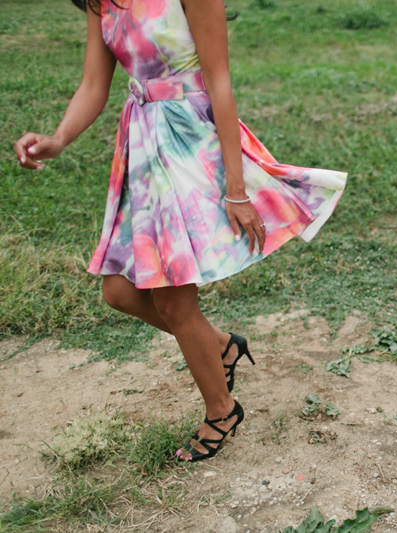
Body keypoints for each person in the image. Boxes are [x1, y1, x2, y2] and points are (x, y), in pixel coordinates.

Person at [13, 0, 346, 462]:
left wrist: (236, 189)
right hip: (143, 148)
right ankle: (221, 347)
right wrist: (58, 139)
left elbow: (220, 81)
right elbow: (94, 84)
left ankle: (221, 410)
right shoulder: (100, 2)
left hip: (192, 144)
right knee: (120, 293)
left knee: (171, 298)